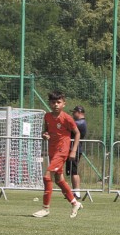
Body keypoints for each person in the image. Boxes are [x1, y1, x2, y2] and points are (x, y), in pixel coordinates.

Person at [33, 91, 83, 219]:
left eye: (58, 102)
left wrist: (73, 150)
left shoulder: (66, 118)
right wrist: (45, 135)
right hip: (52, 150)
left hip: (62, 151)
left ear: (64, 104)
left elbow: (77, 133)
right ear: (50, 103)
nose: (56, 104)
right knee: (59, 180)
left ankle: (45, 208)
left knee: (47, 176)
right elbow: (46, 131)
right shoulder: (47, 117)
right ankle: (74, 202)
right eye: (53, 102)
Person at [66, 105, 87, 195]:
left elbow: (68, 126)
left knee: (74, 171)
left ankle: (77, 192)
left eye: (74, 112)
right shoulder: (79, 122)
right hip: (73, 148)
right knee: (72, 171)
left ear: (79, 112)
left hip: (75, 149)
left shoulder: (80, 123)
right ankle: (74, 190)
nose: (72, 114)